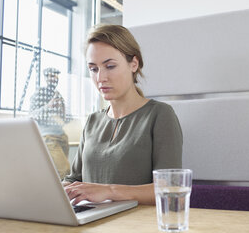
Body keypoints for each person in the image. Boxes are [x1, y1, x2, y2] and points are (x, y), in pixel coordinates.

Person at [62, 24, 183, 205]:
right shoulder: (93, 121)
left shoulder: (160, 115)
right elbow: (73, 180)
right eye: (93, 69)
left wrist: (109, 191)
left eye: (110, 66)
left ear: (133, 64)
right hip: (90, 223)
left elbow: (171, 191)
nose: (101, 78)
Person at [29, 67, 70, 179]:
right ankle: (61, 196)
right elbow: (32, 115)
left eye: (56, 76)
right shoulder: (39, 93)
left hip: (62, 136)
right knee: (65, 171)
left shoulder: (58, 94)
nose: (54, 79)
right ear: (46, 78)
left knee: (58, 172)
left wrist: (63, 111)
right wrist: (49, 106)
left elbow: (62, 120)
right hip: (48, 137)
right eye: (52, 76)